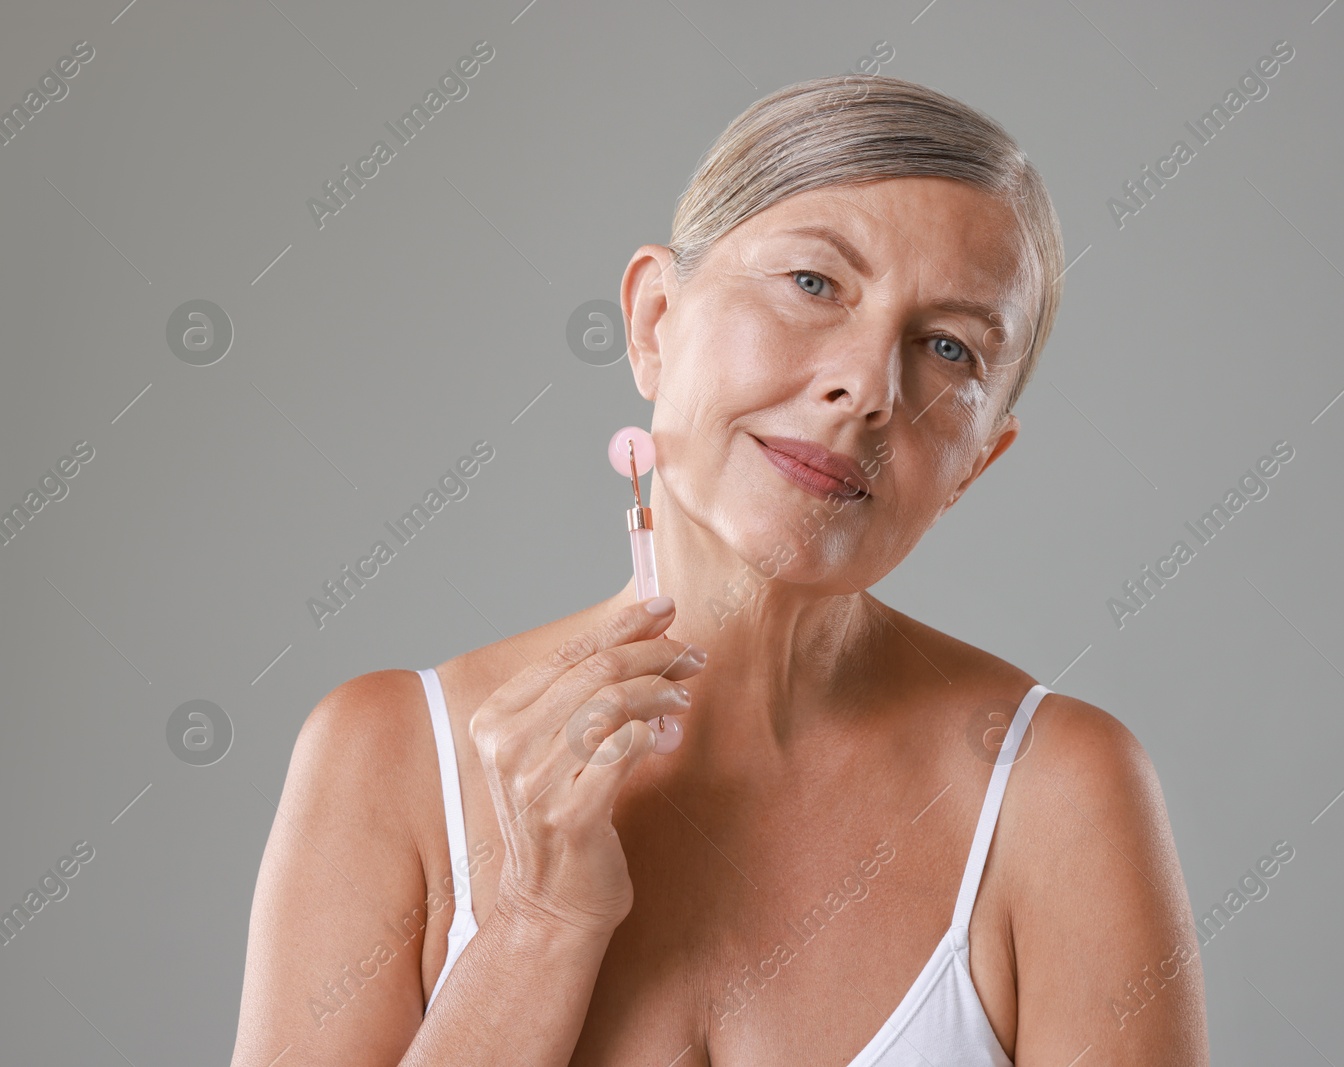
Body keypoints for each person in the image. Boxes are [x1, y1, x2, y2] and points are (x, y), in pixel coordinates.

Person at [230, 73, 1208, 1066]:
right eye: (814, 283)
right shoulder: (386, 757)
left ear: (975, 463)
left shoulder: (1060, 791)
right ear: (655, 317)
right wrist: (532, 924)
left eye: (947, 347)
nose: (865, 388)